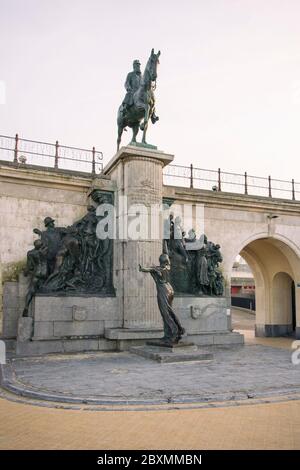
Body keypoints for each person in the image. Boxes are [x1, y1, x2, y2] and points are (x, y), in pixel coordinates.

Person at [139, 254, 185, 345]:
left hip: (163, 290)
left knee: (165, 313)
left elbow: (146, 269)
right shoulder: (168, 267)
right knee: (169, 312)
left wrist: (142, 268)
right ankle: (169, 334)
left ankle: (175, 332)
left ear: (160, 261)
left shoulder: (158, 269)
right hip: (170, 290)